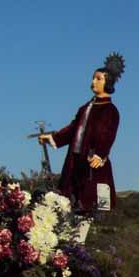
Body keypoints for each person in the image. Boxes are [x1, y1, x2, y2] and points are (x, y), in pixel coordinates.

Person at [37, 52, 124, 213]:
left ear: (108, 82)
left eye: (98, 79)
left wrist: (100, 154)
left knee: (93, 203)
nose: (93, 81)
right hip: (74, 160)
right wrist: (53, 137)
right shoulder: (85, 108)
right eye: (93, 78)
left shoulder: (110, 110)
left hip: (92, 161)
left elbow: (108, 135)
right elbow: (73, 129)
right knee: (69, 202)